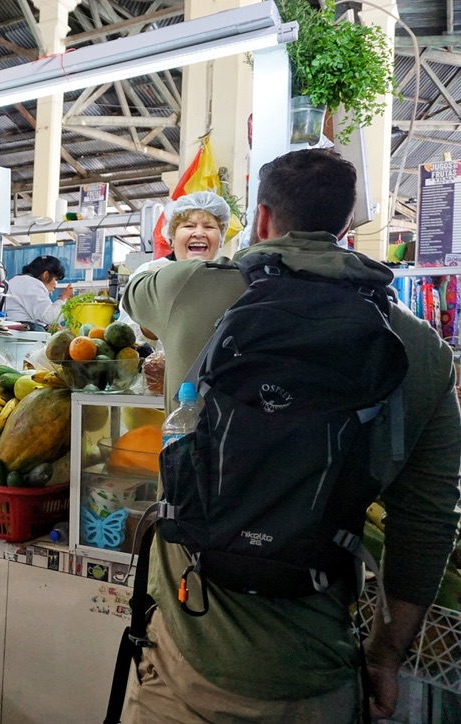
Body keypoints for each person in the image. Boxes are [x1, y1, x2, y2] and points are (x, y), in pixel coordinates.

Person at [121, 149, 461, 722]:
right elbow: (428, 520)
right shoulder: (420, 348)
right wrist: (384, 657)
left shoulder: (188, 289)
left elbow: (134, 289)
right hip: (317, 668)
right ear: (348, 225)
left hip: (186, 659)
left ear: (259, 220)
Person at [121, 191, 230, 342]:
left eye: (209, 227)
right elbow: (124, 332)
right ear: (171, 238)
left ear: (221, 240)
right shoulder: (150, 274)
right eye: (189, 226)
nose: (199, 233)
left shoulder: (229, 280)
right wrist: (148, 324)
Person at [3, 255, 73, 330]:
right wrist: (64, 298)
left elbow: (38, 316)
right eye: (56, 279)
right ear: (46, 275)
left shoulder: (20, 281)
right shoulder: (32, 284)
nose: (55, 285)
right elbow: (50, 317)